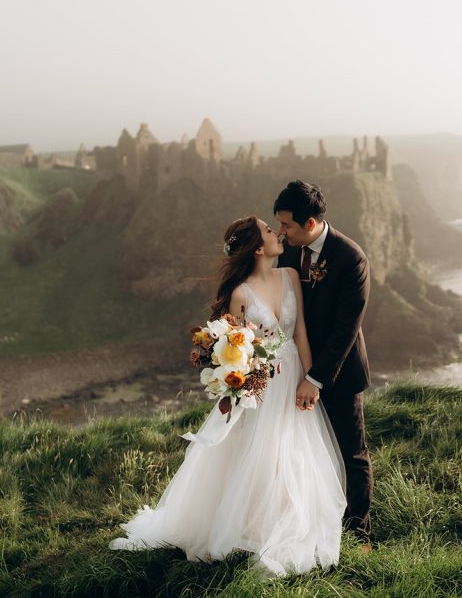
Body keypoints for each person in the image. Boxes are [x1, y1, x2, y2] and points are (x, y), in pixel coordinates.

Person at [110, 216, 347, 577]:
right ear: (257, 248)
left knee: (294, 450)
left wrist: (311, 382)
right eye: (268, 230)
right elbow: (234, 348)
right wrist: (241, 378)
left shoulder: (289, 276)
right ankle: (251, 527)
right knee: (259, 451)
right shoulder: (240, 293)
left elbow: (299, 333)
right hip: (261, 384)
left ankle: (285, 519)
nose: (277, 233)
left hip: (295, 377)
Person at [273, 180, 373, 547]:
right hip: (293, 369)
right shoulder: (287, 250)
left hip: (338, 373)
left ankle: (359, 534)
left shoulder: (351, 258)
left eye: (287, 225)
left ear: (311, 223)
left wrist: (314, 379)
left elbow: (346, 329)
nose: (281, 232)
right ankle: (309, 526)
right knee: (302, 452)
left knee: (350, 454)